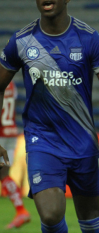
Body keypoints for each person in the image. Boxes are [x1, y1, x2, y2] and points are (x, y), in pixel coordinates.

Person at [0, 0, 99, 233]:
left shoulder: (89, 38)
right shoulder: (22, 41)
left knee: (91, 220)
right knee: (50, 214)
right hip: (42, 141)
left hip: (83, 142)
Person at [0, 81, 31, 229]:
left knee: (4, 173)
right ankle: (21, 210)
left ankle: (21, 211)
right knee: (4, 174)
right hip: (10, 132)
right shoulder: (11, 82)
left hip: (0, 133)